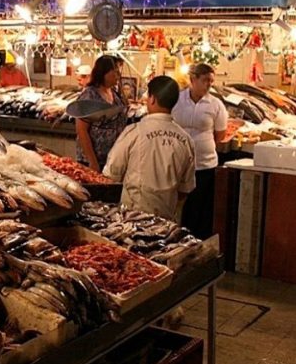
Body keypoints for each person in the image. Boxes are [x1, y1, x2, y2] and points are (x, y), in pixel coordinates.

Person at [103, 75, 195, 221]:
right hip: (167, 221)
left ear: (152, 99)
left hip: (132, 217)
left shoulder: (134, 132)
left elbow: (111, 174)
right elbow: (185, 188)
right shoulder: (186, 139)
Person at [171, 63, 228, 239]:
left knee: (199, 207)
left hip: (204, 164)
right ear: (193, 79)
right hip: (178, 161)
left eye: (211, 81)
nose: (208, 85)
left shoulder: (216, 104)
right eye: (205, 80)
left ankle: (196, 240)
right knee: (177, 204)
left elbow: (220, 133)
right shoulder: (177, 99)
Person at [76, 55, 127, 171]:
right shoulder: (89, 95)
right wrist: (92, 161)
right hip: (93, 161)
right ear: (104, 73)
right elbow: (81, 130)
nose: (118, 76)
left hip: (111, 159)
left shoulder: (114, 94)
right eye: (115, 72)